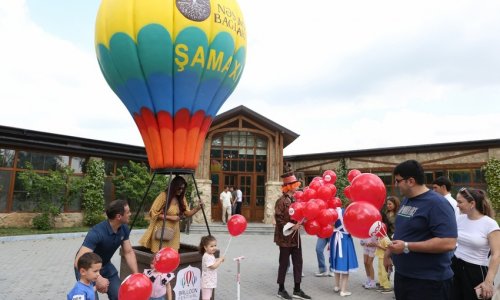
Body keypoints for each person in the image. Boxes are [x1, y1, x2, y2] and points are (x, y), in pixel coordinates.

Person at [384, 160, 457, 300]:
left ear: (410, 181)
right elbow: (401, 231)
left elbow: (448, 243)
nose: (395, 184)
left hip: (429, 282)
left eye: (398, 181)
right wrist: (388, 253)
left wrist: (406, 246)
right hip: (404, 277)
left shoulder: (437, 204)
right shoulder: (406, 200)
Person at [74, 200, 138, 300]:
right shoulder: (97, 232)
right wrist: (98, 277)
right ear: (119, 216)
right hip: (87, 267)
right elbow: (79, 260)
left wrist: (136, 274)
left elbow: (128, 252)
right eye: (128, 212)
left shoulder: (124, 228)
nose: (130, 214)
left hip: (105, 264)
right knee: (90, 298)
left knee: (120, 295)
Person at [451, 187, 500, 300]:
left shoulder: (490, 224)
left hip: (475, 272)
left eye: (460, 202)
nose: (457, 205)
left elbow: (496, 255)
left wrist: (488, 282)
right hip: (455, 266)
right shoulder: (460, 219)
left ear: (472, 203)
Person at [139, 176, 203, 253]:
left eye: (183, 189)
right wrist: (171, 218)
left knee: (172, 254)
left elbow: (187, 213)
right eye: (179, 188)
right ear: (174, 187)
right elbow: (153, 213)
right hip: (161, 231)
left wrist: (197, 208)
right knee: (159, 255)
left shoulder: (181, 198)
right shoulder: (163, 196)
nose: (181, 191)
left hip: (173, 232)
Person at [274, 172, 312, 300]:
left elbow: (299, 215)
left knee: (298, 263)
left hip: (296, 238)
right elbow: (279, 220)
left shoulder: (296, 200)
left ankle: (297, 289)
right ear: (289, 186)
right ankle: (281, 289)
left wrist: (303, 221)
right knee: (284, 264)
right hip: (285, 239)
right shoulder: (281, 201)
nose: (297, 187)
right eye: (295, 184)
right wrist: (292, 226)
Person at [330, 207, 358, 297]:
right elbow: (352, 229)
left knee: (337, 262)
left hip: (335, 238)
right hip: (345, 239)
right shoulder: (347, 212)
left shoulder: (332, 211)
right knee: (345, 265)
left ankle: (336, 286)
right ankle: (343, 290)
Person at [199, 235, 225, 300]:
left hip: (210, 281)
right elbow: (213, 266)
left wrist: (218, 260)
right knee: (206, 298)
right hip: (207, 282)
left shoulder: (210, 254)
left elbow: (212, 262)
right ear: (205, 247)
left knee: (209, 296)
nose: (214, 248)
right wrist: (219, 260)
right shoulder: (206, 256)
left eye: (215, 245)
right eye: (211, 246)